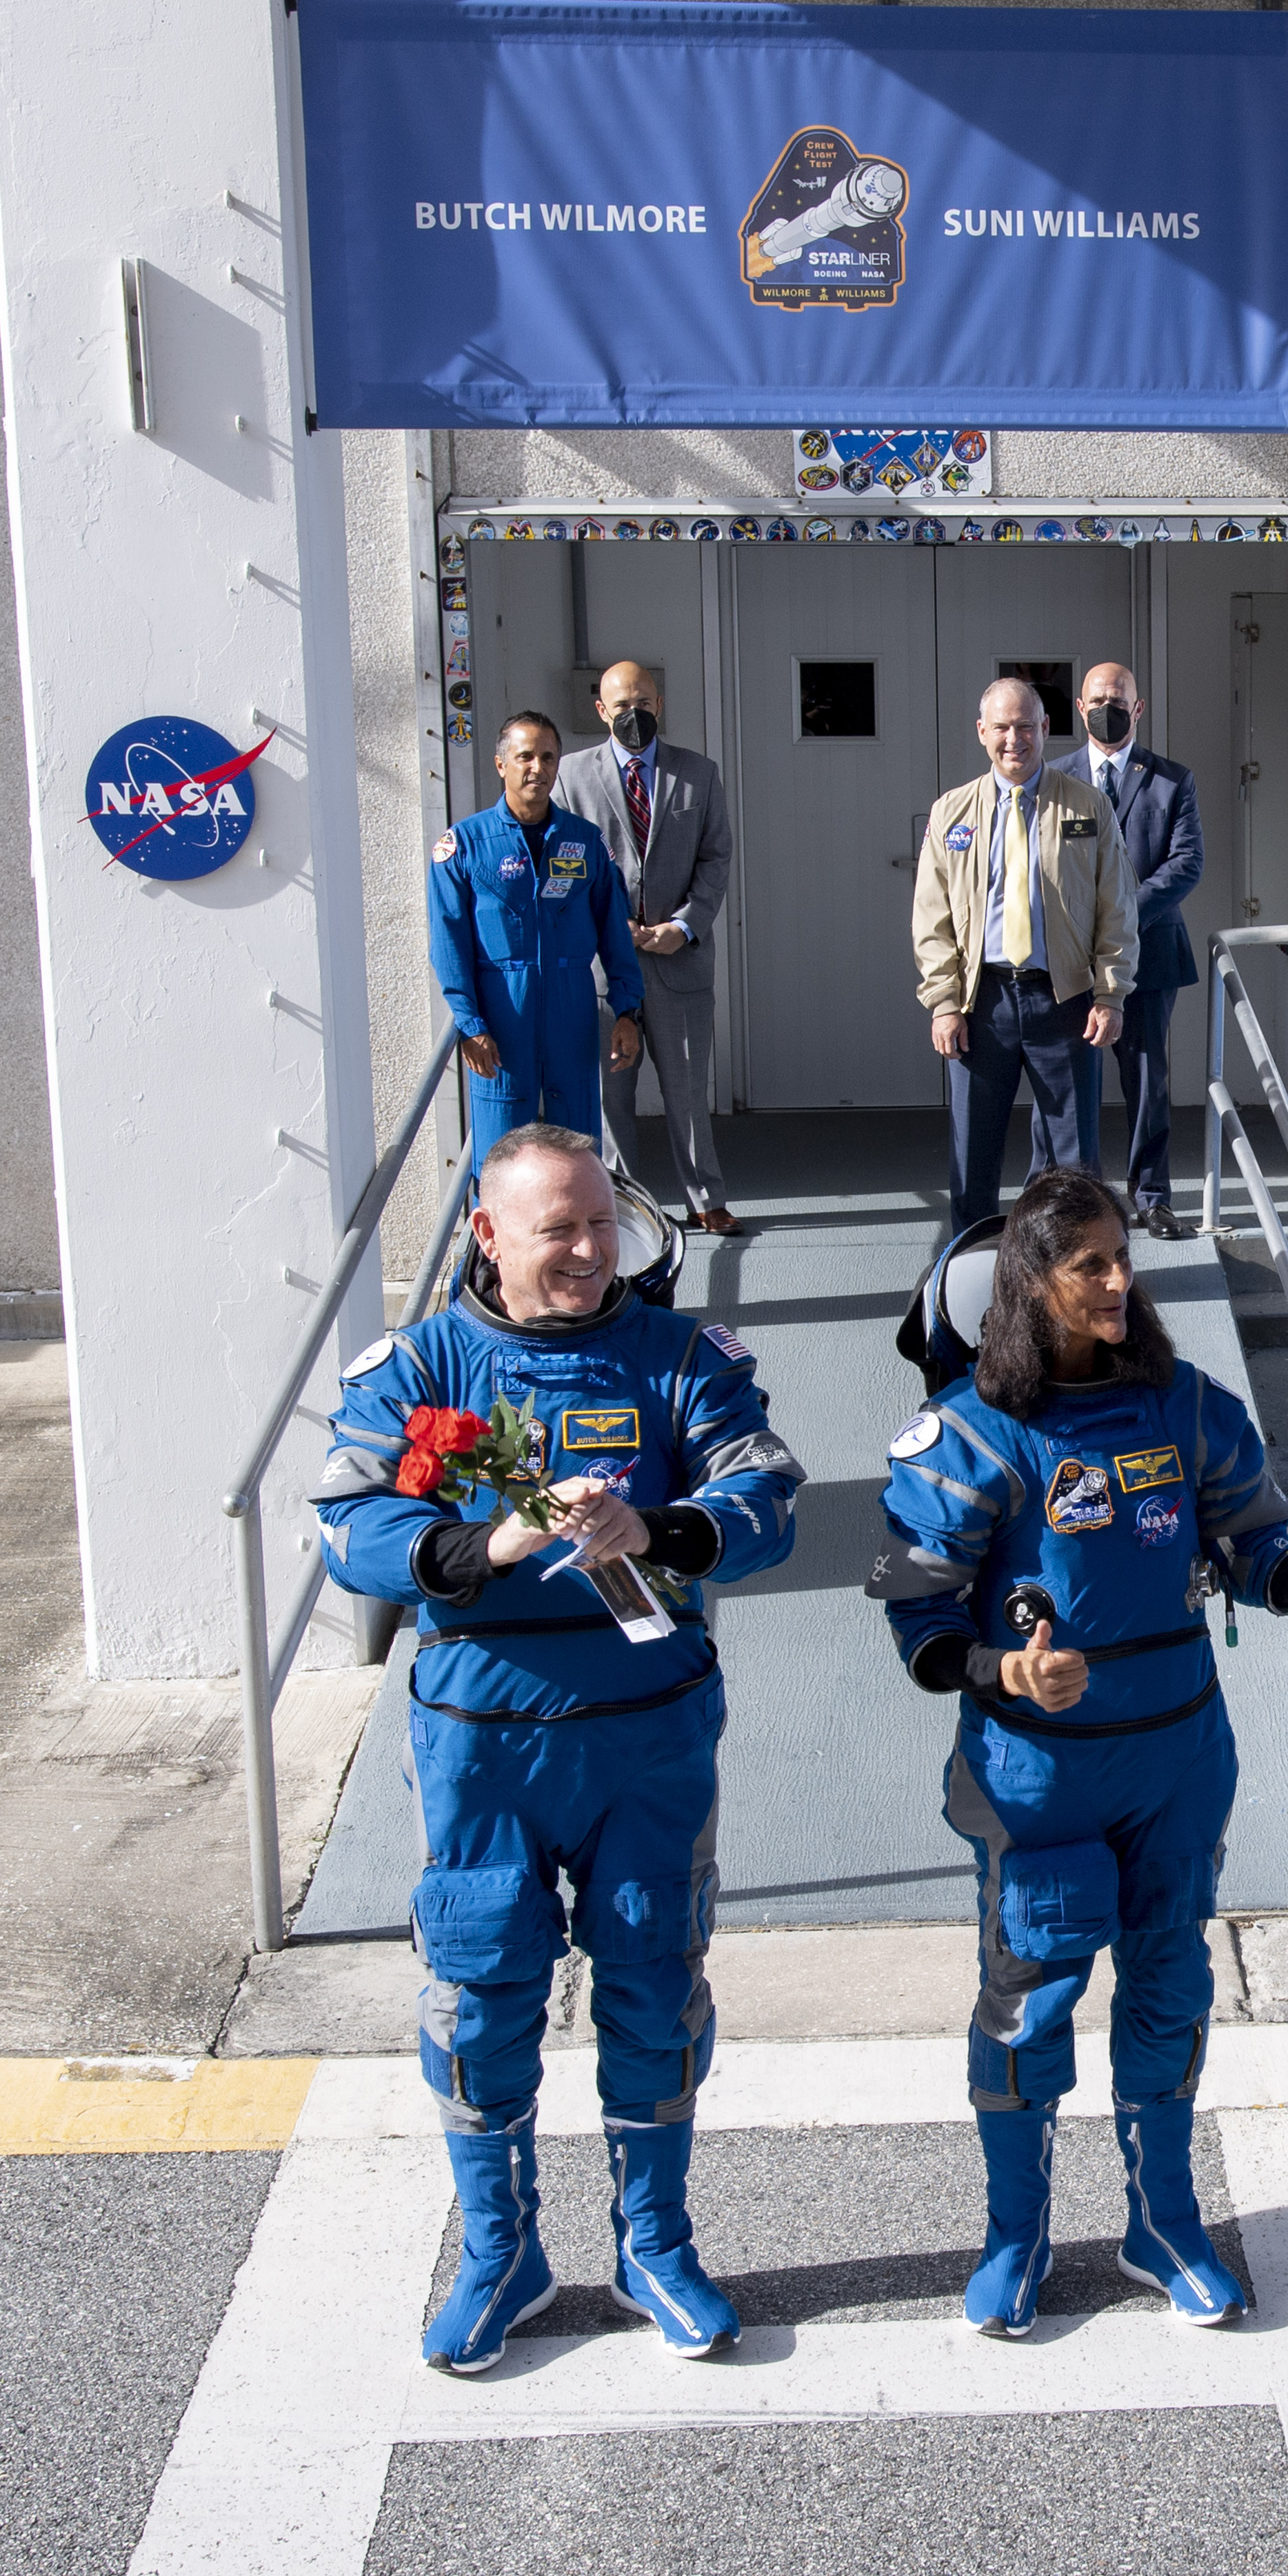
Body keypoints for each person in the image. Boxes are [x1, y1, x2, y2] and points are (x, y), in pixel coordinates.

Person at [312, 1122, 803, 2375]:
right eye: (558, 1230)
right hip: (483, 1743)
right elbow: (348, 1520)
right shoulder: (420, 1364)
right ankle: (500, 2254)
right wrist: (482, 1550)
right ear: (486, 1234)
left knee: (652, 1983)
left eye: (600, 1223)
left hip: (647, 1738)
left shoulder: (679, 1357)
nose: (589, 1250)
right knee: (479, 1994)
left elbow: (764, 1493)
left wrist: (665, 1527)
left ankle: (653, 2243)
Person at [867, 1167, 1288, 2338]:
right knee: (1029, 2004)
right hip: (1035, 1775)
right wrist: (1006, 1672)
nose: (1115, 1282)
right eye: (1086, 1266)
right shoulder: (966, 1437)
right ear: (1026, 1288)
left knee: (1168, 1986)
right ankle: (1015, 2238)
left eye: (1118, 1260)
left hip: (1176, 1761)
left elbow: (1254, 1549)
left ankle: (1161, 2222)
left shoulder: (1187, 1406)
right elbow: (910, 1609)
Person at [912, 677, 1138, 1238]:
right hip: (980, 1003)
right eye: (1003, 728)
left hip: (1064, 1000)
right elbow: (931, 919)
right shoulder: (951, 813)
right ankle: (971, 1275)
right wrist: (943, 1002)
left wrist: (1110, 993)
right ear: (982, 732)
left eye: (1026, 727)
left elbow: (1117, 908)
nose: (1015, 739)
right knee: (973, 1158)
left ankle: (1070, 1273)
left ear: (1044, 729)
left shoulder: (1087, 806)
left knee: (1075, 1161)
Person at [555, 661, 744, 1236]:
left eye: (642, 701)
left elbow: (716, 858)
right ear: (600, 711)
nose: (631, 713)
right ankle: (621, 1207)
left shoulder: (699, 773)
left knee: (687, 1088)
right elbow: (564, 865)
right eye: (619, 704)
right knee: (611, 1097)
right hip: (602, 966)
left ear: (659, 704)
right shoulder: (570, 775)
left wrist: (683, 926)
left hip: (678, 959)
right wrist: (612, 928)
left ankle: (705, 1198)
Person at [427, 712, 644, 1169]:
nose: (537, 767)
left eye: (548, 757)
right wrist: (470, 1024)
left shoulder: (584, 842)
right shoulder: (464, 845)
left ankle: (572, 1235)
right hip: (502, 1011)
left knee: (577, 1141)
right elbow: (449, 943)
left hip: (571, 1006)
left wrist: (628, 1011)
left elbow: (614, 934)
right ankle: (497, 1243)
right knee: (499, 1143)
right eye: (525, 756)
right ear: (501, 764)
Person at [1049, 665, 1204, 1240]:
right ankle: (1070, 1197)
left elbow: (1186, 864)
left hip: (1149, 956)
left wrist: (1118, 917)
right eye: (1096, 700)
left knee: (1147, 1080)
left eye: (1117, 701)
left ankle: (1153, 1197)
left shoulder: (1171, 780)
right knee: (1066, 1082)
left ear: (1138, 710)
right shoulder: (1053, 778)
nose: (1106, 709)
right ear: (1078, 707)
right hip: (1066, 959)